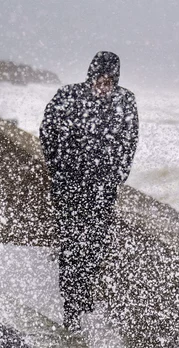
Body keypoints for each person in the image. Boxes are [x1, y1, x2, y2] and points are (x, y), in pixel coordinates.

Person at [39, 51, 139, 331]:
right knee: (72, 244)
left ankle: (82, 293)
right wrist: (59, 168)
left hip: (102, 189)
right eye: (100, 78)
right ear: (91, 75)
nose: (104, 85)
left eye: (109, 80)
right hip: (69, 186)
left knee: (95, 245)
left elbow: (129, 141)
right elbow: (47, 132)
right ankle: (71, 306)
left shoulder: (125, 100)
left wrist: (118, 175)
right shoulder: (68, 96)